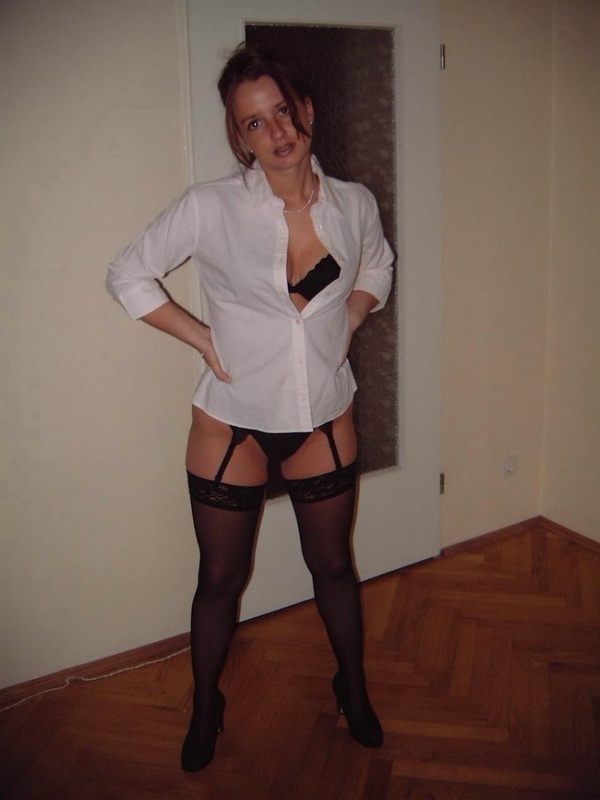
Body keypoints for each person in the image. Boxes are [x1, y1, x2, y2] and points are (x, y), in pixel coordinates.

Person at [106, 43, 394, 772]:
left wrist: (353, 314)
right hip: (231, 424)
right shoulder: (212, 207)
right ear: (240, 138)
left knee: (333, 566)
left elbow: (379, 264)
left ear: (306, 109)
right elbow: (128, 274)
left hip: (322, 418)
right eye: (255, 123)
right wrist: (201, 337)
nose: (277, 132)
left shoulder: (355, 204)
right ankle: (207, 705)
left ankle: (352, 686)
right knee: (219, 580)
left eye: (283, 111)